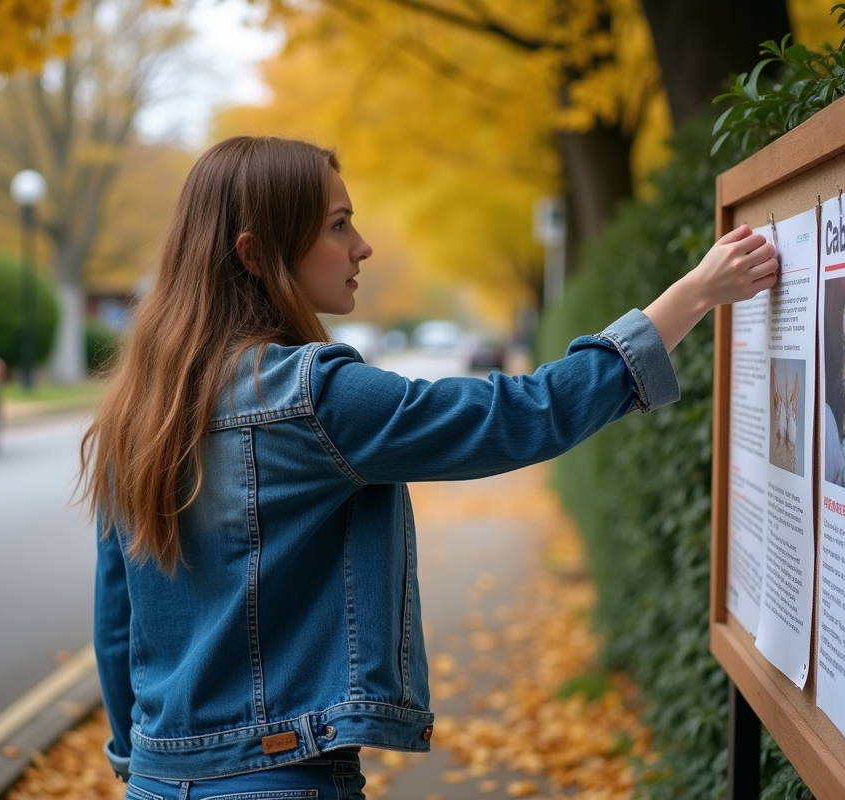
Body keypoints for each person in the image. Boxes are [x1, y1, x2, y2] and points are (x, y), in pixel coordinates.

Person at [80, 136, 777, 800]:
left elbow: (119, 621)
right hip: (279, 777)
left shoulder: (135, 411)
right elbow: (520, 415)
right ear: (255, 254)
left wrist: (133, 756)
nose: (363, 245)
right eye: (338, 225)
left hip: (155, 777)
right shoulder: (313, 397)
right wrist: (693, 294)